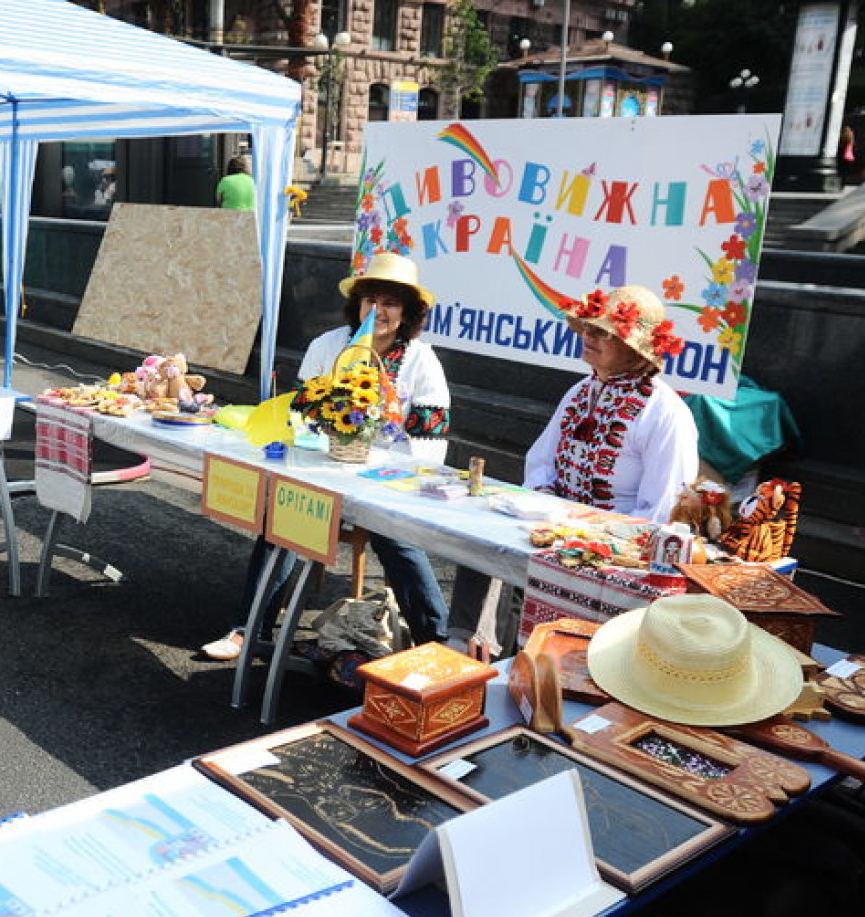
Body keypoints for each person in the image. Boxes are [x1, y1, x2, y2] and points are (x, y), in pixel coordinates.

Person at [202, 252, 452, 660]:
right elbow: (299, 418)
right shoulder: (328, 345)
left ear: (407, 313)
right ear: (358, 306)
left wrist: (384, 473)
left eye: (390, 303)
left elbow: (430, 443)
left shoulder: (422, 361)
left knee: (400, 541)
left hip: (386, 478)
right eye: (371, 300)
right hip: (322, 467)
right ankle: (248, 630)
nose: (379, 311)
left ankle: (437, 645)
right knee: (281, 522)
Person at [448, 284, 699, 652]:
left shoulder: (665, 413)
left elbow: (662, 509)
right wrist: (550, 508)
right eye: (587, 328)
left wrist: (591, 536)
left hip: (617, 555)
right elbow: (540, 461)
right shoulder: (581, 392)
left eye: (602, 332)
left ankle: (532, 663)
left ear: (632, 346)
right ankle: (462, 644)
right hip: (558, 531)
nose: (588, 336)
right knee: (479, 541)